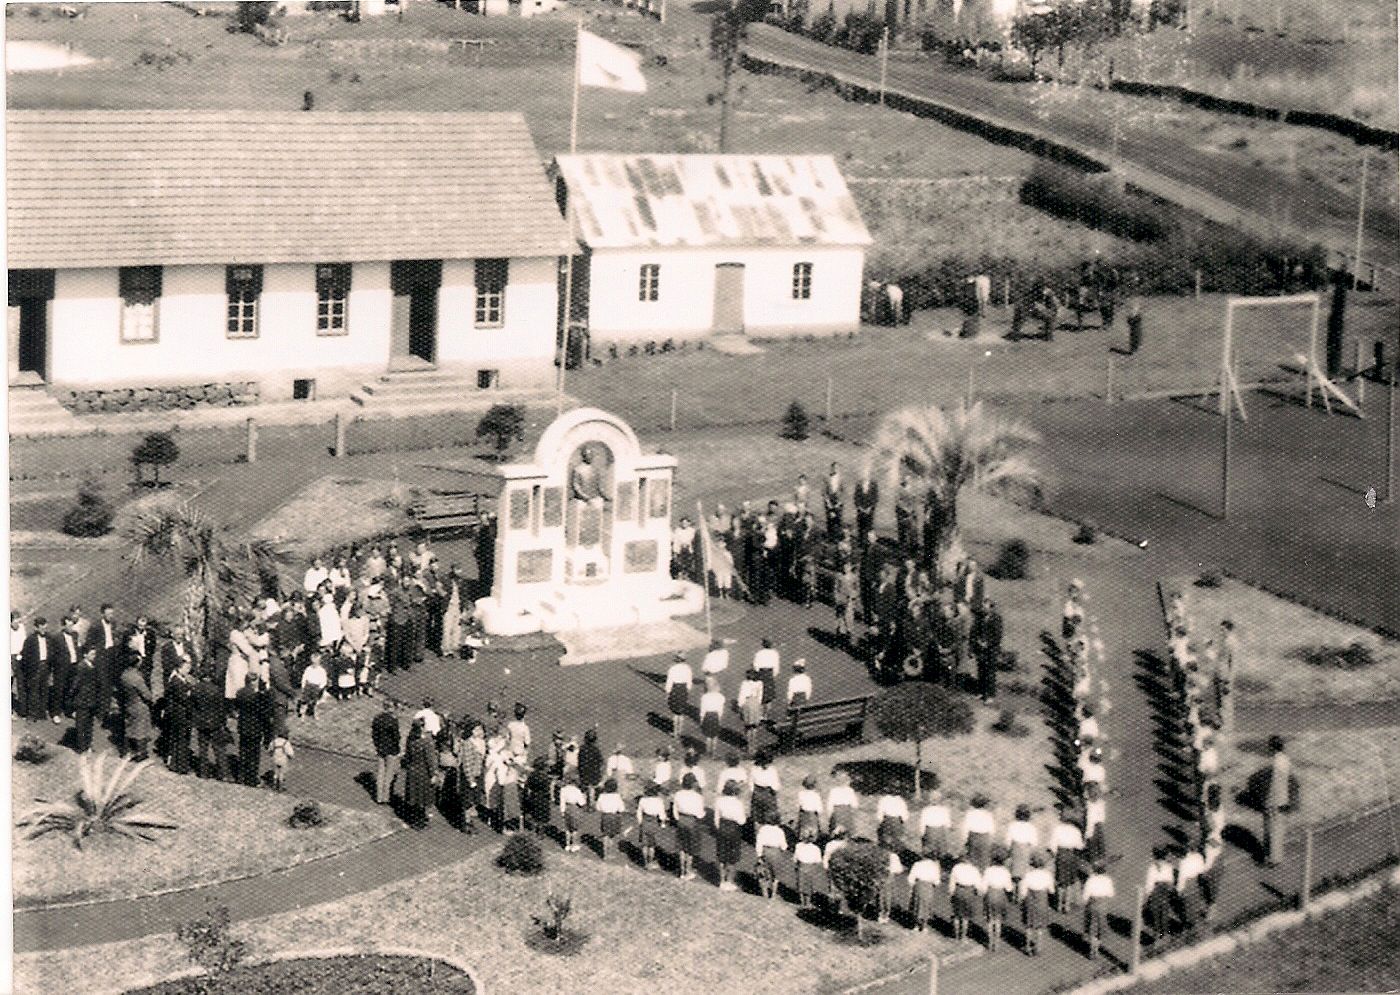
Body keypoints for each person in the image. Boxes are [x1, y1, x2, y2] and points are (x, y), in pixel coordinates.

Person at [191, 668, 227, 780]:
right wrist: (223, 722)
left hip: (201, 722)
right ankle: (223, 774)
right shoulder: (217, 690)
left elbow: (192, 706)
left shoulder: (195, 689)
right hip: (215, 722)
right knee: (219, 749)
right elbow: (221, 709)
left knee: (202, 749)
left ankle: (203, 773)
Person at [1263, 734, 1294, 867]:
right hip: (1283, 798)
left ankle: (1273, 859)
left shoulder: (1275, 762)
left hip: (1274, 799)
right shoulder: (1286, 760)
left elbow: (1274, 784)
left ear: (1272, 747)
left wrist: (1268, 801)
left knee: (1272, 829)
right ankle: (1277, 857)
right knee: (1279, 829)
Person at [1050, 805, 1086, 912]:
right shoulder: (1076, 831)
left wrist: (1054, 854)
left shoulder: (1057, 829)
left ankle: (1059, 904)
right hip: (1071, 855)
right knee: (1070, 881)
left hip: (1061, 854)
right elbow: (1080, 846)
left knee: (1061, 881)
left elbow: (1052, 845)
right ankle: (1067, 905)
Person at [164, 656, 196, 774]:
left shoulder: (180, 680)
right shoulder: (176, 682)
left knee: (179, 740)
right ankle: (180, 766)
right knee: (181, 740)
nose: (188, 670)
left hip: (179, 714)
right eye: (186, 668)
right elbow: (184, 699)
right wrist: (190, 693)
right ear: (179, 668)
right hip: (180, 715)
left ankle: (175, 763)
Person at [672, 773, 706, 881]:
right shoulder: (698, 797)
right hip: (692, 821)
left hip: (681, 820)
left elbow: (675, 809)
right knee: (691, 848)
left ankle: (682, 871)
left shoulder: (678, 794)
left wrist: (678, 819)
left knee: (682, 847)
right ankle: (688, 870)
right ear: (693, 783)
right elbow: (700, 814)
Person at [403, 718, 436, 829]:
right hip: (423, 772)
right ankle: (421, 822)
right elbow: (430, 760)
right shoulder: (426, 742)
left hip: (412, 771)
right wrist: (433, 774)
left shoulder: (410, 739)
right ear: (422, 727)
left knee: (414, 796)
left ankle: (413, 820)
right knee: (423, 798)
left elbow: (407, 755)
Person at [1019, 853, 1054, 956]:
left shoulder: (1028, 875)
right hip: (1042, 899)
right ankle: (1038, 947)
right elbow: (1051, 890)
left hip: (1030, 899)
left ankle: (1028, 946)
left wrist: (1022, 899)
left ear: (1032, 864)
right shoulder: (1047, 875)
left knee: (1029, 924)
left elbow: (1023, 891)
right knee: (1040, 926)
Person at [714, 781, 747, 892]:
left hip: (722, 827)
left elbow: (716, 818)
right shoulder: (738, 803)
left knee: (722, 855)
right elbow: (742, 821)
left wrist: (720, 828)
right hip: (734, 829)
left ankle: (722, 881)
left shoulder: (719, 801)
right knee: (732, 857)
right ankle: (730, 881)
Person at [119, 657, 153, 761]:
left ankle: (126, 752)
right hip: (139, 705)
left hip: (128, 704)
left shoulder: (124, 675)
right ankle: (140, 754)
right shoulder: (137, 678)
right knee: (140, 731)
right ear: (137, 664)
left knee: (129, 728)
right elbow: (147, 695)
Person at [19, 617, 53, 723]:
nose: (44, 629)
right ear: (36, 627)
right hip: (35, 668)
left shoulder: (49, 638)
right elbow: (25, 656)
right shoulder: (30, 640)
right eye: (41, 627)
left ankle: (41, 713)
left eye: (45, 627)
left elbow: (52, 652)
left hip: (45, 666)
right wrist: (30, 669)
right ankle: (31, 714)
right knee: (33, 692)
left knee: (44, 690)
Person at [70, 647, 101, 754]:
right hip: (82, 700)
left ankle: (88, 745)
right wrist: (73, 698)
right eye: (92, 654)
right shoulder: (81, 667)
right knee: (81, 725)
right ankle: (82, 747)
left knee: (89, 724)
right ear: (85, 654)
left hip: (91, 700)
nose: (94, 656)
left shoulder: (92, 666)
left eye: (95, 654)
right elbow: (75, 685)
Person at [983, 847, 1015, 952]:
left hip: (990, 894)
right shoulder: (1005, 872)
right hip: (1001, 895)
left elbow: (984, 885)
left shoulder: (988, 870)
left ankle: (989, 941)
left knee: (990, 919)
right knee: (998, 920)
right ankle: (996, 942)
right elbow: (1009, 888)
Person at [1081, 861, 1115, 960]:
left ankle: (1092, 949)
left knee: (1092, 927)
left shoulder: (1091, 880)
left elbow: (1085, 896)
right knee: (1100, 928)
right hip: (1103, 905)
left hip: (1092, 904)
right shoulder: (1108, 880)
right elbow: (1111, 894)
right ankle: (1097, 948)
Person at [972, 599, 1003, 703]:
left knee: (990, 672)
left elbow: (997, 635)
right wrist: (978, 641)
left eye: (986, 607)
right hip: (981, 649)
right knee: (981, 670)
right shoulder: (980, 617)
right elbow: (975, 631)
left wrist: (988, 643)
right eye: (983, 607)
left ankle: (990, 695)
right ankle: (981, 692)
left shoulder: (997, 619)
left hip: (992, 650)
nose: (984, 609)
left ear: (991, 608)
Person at [458, 722, 487, 832]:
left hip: (478, 775)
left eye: (480, 729)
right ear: (471, 731)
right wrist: (471, 780)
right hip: (470, 778)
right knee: (467, 801)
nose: (480, 732)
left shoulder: (480, 743)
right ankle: (466, 824)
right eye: (476, 730)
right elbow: (467, 764)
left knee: (474, 801)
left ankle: (470, 822)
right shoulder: (468, 744)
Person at [371, 699, 401, 806]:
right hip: (391, 749)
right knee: (389, 774)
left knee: (380, 773)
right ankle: (386, 797)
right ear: (391, 708)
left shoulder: (377, 718)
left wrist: (377, 745)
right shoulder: (393, 721)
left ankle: (378, 797)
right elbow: (396, 737)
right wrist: (397, 749)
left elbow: (374, 735)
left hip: (380, 748)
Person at [1144, 846, 1176, 943]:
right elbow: (1171, 880)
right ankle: (1165, 934)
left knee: (1156, 913)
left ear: (1154, 856)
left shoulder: (1152, 868)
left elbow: (1149, 882)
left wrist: (1148, 892)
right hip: (1165, 889)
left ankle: (1158, 935)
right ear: (1165, 856)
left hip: (1156, 890)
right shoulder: (1169, 866)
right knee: (1165, 911)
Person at [948, 854, 982, 943]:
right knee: (965, 917)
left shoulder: (956, 867)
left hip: (958, 890)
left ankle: (955, 936)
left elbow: (952, 882)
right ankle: (963, 937)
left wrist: (951, 893)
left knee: (957, 915)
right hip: (969, 891)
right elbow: (978, 884)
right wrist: (978, 893)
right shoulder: (974, 870)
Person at [636, 782, 668, 870]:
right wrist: (663, 822)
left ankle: (645, 862)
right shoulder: (659, 801)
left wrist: (640, 822)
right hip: (654, 822)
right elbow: (662, 814)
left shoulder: (642, 800)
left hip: (645, 821)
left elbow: (639, 812)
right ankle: (650, 862)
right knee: (652, 845)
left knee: (644, 844)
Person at [755, 820, 789, 901]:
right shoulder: (780, 831)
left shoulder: (763, 829)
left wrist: (759, 855)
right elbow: (784, 846)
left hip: (765, 851)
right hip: (776, 852)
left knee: (763, 873)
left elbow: (759, 843)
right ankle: (773, 894)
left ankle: (765, 894)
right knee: (776, 875)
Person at [907, 852, 941, 933]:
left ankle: (915, 925)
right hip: (928, 886)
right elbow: (936, 880)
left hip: (919, 884)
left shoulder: (917, 864)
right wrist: (935, 884)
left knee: (917, 904)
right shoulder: (934, 866)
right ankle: (924, 926)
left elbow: (911, 877)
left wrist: (912, 885)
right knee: (926, 905)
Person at [1005, 804, 1039, 885]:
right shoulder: (1031, 827)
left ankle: (1013, 890)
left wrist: (1009, 849)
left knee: (1014, 871)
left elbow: (1008, 840)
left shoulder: (1012, 825)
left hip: (1015, 848)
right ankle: (1021, 891)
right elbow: (1034, 843)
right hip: (1026, 849)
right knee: (1024, 872)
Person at [962, 795, 996, 870]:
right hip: (985, 838)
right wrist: (990, 842)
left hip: (974, 837)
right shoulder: (988, 814)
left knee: (972, 859)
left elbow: (966, 828)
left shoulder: (970, 813)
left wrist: (964, 841)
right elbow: (992, 830)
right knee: (984, 861)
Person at [665, 652, 692, 740]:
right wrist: (687, 690)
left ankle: (676, 732)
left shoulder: (673, 668)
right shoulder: (688, 668)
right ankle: (679, 730)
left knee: (676, 712)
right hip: (683, 689)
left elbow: (669, 681)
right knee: (681, 712)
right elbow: (689, 682)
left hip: (675, 688)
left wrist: (668, 692)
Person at [596, 778, 625, 860]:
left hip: (605, 816)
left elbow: (598, 807)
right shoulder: (617, 796)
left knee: (605, 835)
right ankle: (610, 852)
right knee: (612, 835)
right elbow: (621, 809)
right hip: (615, 816)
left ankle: (605, 853)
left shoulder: (601, 796)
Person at [750, 751, 781, 827]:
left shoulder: (754, 769)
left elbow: (750, 783)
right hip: (768, 794)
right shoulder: (772, 770)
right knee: (770, 814)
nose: (766, 765)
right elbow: (775, 785)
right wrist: (775, 789)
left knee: (757, 816)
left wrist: (753, 791)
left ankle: (759, 830)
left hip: (757, 793)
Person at [738, 669, 765, 755]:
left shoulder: (745, 683)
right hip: (756, 703)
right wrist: (759, 705)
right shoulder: (760, 683)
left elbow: (742, 695)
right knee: (755, 726)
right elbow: (760, 696)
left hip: (748, 702)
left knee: (748, 726)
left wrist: (740, 706)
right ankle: (754, 746)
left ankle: (749, 747)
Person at [559, 774, 588, 853]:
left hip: (567, 808)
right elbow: (582, 803)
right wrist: (584, 797)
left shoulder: (563, 789)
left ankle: (567, 845)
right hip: (575, 808)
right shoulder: (577, 791)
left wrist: (562, 811)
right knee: (575, 828)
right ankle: (574, 845)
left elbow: (562, 801)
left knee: (567, 828)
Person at [698, 676, 726, 755]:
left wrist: (701, 718)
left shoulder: (705, 697)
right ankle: (713, 751)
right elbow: (721, 709)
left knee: (708, 735)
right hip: (715, 715)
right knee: (715, 735)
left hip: (707, 715)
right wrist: (719, 717)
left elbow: (703, 709)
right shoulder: (720, 697)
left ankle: (708, 751)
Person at [827, 769, 858, 836]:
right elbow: (854, 804)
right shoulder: (850, 791)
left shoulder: (834, 791)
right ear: (847, 781)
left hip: (837, 812)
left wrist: (830, 815)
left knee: (836, 828)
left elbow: (830, 805)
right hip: (846, 811)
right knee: (847, 829)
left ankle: (836, 837)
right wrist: (852, 811)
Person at [578, 728, 605, 804]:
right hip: (594, 773)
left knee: (585, 788)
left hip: (584, 773)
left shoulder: (582, 749)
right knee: (593, 787)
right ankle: (592, 803)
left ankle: (584, 802)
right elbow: (601, 761)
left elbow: (580, 762)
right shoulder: (596, 749)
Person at [299, 651, 328, 720]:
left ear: (319, 662)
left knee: (315, 702)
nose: (315, 663)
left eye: (316, 662)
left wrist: (321, 687)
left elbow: (324, 679)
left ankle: (315, 714)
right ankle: (302, 714)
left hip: (316, 687)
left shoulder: (321, 670)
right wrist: (303, 686)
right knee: (305, 701)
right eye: (313, 662)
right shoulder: (308, 669)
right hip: (308, 686)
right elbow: (304, 678)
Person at [267, 719, 294, 792]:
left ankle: (274, 784)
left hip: (275, 759)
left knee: (275, 772)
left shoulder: (274, 741)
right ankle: (280, 786)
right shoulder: (286, 743)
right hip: (283, 760)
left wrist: (271, 754)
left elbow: (270, 750)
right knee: (282, 773)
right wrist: (291, 757)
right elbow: (290, 753)